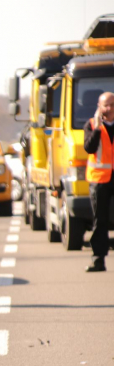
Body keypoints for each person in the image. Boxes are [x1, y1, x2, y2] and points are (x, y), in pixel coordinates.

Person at [83, 91, 114, 272]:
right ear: (99, 107)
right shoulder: (92, 124)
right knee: (99, 221)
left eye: (112, 105)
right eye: (105, 105)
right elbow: (89, 148)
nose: (109, 109)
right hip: (99, 180)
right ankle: (98, 260)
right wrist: (97, 129)